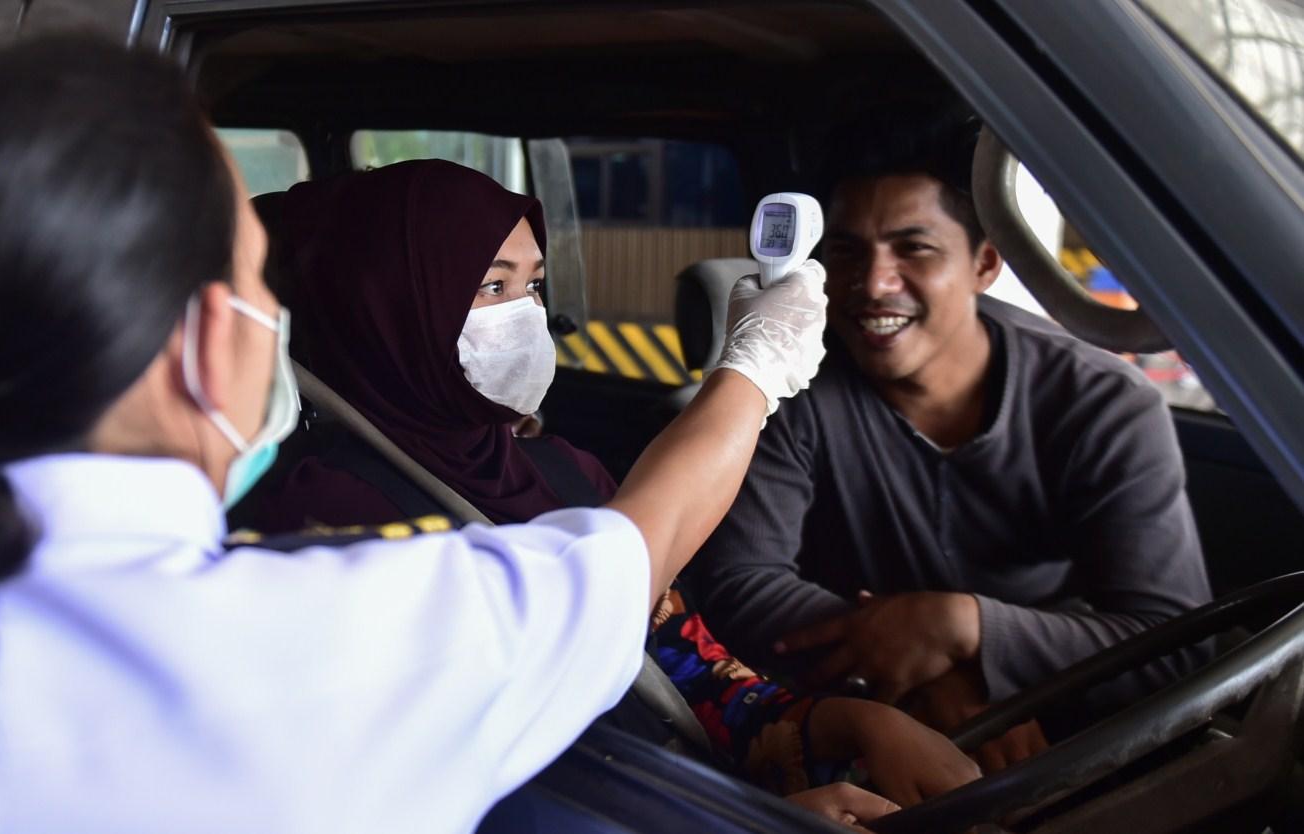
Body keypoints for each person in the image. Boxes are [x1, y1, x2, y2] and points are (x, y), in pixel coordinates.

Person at [0, 36, 831, 833]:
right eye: (258, 278)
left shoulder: (546, 473)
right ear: (213, 332)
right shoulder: (337, 620)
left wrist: (815, 724)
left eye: (531, 286)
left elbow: (653, 620)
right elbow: (619, 569)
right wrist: (756, 365)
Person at [253, 159, 979, 814]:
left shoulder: (567, 473)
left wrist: (846, 723)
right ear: (389, 305)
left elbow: (686, 676)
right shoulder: (320, 524)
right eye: (490, 286)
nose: (524, 315)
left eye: (533, 285)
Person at [687, 119, 1212, 766]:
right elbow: (740, 582)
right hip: (853, 718)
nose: (874, 283)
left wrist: (964, 628)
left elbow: (1172, 643)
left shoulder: (1101, 404)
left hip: (1055, 727)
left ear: (984, 263)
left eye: (914, 249)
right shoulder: (795, 387)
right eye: (849, 252)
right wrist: (924, 680)